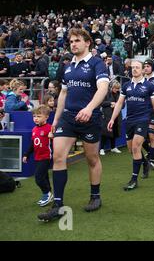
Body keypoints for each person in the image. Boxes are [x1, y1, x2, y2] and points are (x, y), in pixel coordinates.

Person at [37, 27, 109, 222]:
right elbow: (64, 94)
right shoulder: (68, 67)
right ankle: (58, 204)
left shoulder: (97, 64)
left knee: (92, 159)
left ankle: (95, 196)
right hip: (68, 118)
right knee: (59, 157)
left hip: (90, 117)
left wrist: (89, 108)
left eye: (77, 40)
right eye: (71, 41)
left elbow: (103, 88)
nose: (73, 44)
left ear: (87, 43)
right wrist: (57, 119)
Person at [108, 60, 154, 191]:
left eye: (137, 67)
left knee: (136, 147)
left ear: (143, 70)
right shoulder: (126, 85)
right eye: (133, 67)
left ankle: (133, 180)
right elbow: (120, 103)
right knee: (131, 150)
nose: (134, 69)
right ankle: (144, 163)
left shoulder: (149, 86)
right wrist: (112, 119)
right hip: (130, 120)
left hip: (143, 119)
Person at [22, 105, 53, 207]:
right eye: (34, 116)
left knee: (38, 178)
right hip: (37, 157)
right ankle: (49, 194)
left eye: (39, 116)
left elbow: (56, 141)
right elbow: (33, 144)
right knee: (44, 176)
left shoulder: (50, 128)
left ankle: (46, 193)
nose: (36, 118)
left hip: (46, 157)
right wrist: (26, 154)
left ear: (46, 117)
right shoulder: (34, 129)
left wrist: (53, 136)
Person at [100, 80, 122, 155]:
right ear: (111, 87)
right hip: (107, 115)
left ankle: (113, 147)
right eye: (115, 88)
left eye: (118, 88)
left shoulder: (120, 94)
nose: (116, 90)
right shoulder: (106, 93)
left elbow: (123, 105)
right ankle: (101, 149)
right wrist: (110, 103)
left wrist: (117, 105)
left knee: (115, 131)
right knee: (105, 132)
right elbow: (101, 103)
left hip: (116, 116)